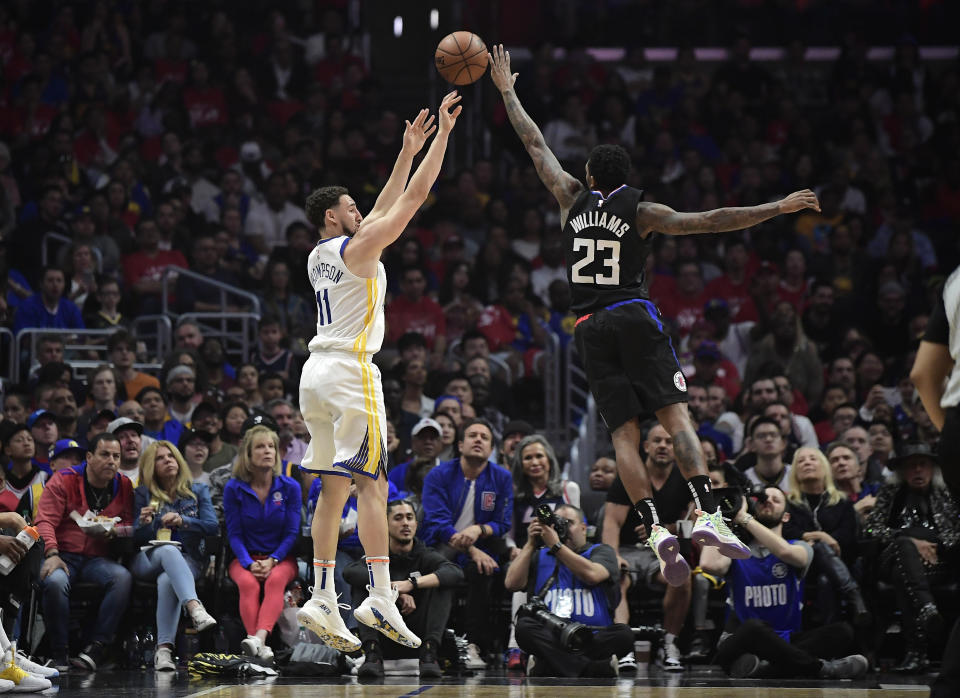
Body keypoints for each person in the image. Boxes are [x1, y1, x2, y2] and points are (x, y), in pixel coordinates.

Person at [489, 46, 819, 583]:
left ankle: (656, 528)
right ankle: (706, 512)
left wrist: (507, 89)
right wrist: (776, 208)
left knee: (623, 434)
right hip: (634, 314)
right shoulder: (643, 212)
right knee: (675, 418)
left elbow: (535, 143)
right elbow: (712, 220)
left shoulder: (569, 195)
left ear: (591, 173)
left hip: (590, 327)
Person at [296, 92, 461, 652]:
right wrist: (440, 138)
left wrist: (406, 148)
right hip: (350, 372)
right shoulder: (360, 248)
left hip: (313, 374)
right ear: (331, 216)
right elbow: (411, 199)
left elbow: (388, 201)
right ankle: (381, 593)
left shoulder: (322, 254)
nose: (360, 213)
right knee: (375, 483)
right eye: (351, 207)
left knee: (332, 488)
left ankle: (320, 594)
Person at [699, 486, 868, 680]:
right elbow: (708, 564)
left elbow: (786, 553)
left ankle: (764, 669)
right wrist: (716, 517)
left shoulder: (799, 546)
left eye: (776, 499)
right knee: (754, 627)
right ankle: (823, 669)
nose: (768, 501)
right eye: (764, 499)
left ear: (786, 517)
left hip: (785, 640)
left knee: (843, 631)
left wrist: (745, 518)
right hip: (741, 640)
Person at [35, 432, 134, 672]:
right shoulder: (63, 479)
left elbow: (129, 524)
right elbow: (44, 521)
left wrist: (114, 532)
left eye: (116, 456)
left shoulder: (124, 484)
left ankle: (97, 647)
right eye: (104, 454)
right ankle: (59, 652)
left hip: (97, 559)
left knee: (122, 578)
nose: (111, 461)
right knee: (56, 582)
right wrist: (52, 553)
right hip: (62, 555)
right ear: (89, 457)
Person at [419, 418, 513, 666]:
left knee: (483, 570)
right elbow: (436, 523)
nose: (478, 440)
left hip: (482, 546)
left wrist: (478, 529)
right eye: (473, 435)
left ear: (491, 449)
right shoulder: (438, 475)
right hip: (440, 543)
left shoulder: (501, 478)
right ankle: (432, 643)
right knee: (442, 568)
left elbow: (503, 523)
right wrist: (470, 548)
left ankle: (473, 645)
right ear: (460, 445)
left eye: (484, 437)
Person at [505, 503, 634, 678]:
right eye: (557, 522)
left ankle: (551, 665)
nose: (562, 526)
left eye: (569, 522)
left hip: (593, 636)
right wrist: (530, 544)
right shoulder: (539, 555)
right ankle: (592, 668)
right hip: (552, 636)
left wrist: (557, 546)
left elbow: (592, 575)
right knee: (524, 627)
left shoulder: (602, 551)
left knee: (624, 635)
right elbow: (511, 584)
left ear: (583, 528)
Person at [602, 424, 692, 672]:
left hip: (663, 550)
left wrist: (667, 529)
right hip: (629, 548)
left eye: (669, 441)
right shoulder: (630, 474)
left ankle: (669, 644)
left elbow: (696, 524)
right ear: (646, 446)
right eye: (657, 441)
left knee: (682, 578)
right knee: (615, 576)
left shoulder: (685, 478)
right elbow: (612, 521)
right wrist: (614, 556)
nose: (663, 445)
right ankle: (623, 647)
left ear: (676, 448)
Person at [863, 443, 960, 673]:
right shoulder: (891, 492)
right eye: (911, 466)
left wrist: (939, 548)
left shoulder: (946, 492)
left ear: (932, 468)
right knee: (905, 546)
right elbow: (871, 529)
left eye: (923, 465)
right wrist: (908, 541)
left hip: (936, 563)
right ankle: (926, 607)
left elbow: (956, 531)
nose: (917, 470)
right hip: (893, 555)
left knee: (903, 575)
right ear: (902, 471)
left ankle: (917, 654)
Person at [343, 499, 464, 678]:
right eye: (398, 518)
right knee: (363, 584)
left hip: (418, 637)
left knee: (442, 584)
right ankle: (372, 654)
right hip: (384, 636)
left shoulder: (424, 554)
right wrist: (394, 589)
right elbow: (350, 572)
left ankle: (429, 655)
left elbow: (455, 573)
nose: (405, 523)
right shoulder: (378, 554)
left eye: (409, 517)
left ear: (416, 523)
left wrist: (411, 584)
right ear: (386, 524)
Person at [132, 440, 218, 671]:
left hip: (188, 559)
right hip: (147, 558)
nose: (167, 460)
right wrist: (142, 524)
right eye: (160, 458)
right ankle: (194, 608)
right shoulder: (142, 494)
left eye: (170, 456)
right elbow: (133, 538)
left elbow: (212, 527)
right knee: (168, 550)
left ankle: (163, 652)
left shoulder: (197, 490)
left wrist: (184, 521)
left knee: (167, 579)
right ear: (151, 466)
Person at [223, 425, 301, 661]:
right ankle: (257, 645)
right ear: (248, 454)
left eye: (271, 447)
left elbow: (292, 532)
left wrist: (273, 560)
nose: (267, 451)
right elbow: (234, 534)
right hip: (245, 558)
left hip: (281, 559)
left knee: (275, 580)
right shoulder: (233, 489)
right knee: (248, 585)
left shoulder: (290, 487)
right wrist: (248, 563)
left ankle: (258, 640)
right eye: (260, 446)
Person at [782, 447, 868, 626]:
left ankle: (830, 641)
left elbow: (848, 536)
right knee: (820, 546)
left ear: (825, 467)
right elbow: (786, 531)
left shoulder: (842, 501)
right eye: (801, 460)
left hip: (840, 562)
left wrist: (823, 539)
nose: (807, 462)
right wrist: (819, 537)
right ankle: (853, 594)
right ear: (795, 472)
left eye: (813, 458)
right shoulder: (788, 504)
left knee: (826, 580)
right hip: (803, 565)